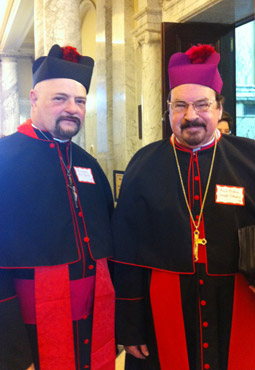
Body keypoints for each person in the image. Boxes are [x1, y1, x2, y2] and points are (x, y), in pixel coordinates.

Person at [111, 44, 255, 370]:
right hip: (165, 307)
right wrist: (130, 327)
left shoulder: (249, 159)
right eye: (180, 105)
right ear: (169, 110)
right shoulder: (144, 164)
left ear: (219, 108)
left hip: (239, 302)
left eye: (202, 104)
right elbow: (127, 255)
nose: (191, 116)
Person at [0, 45, 115, 370]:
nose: (71, 109)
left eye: (79, 101)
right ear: (34, 99)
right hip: (28, 323)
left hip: (94, 317)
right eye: (59, 98)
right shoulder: (4, 159)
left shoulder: (88, 164)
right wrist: (9, 346)